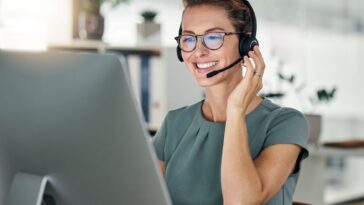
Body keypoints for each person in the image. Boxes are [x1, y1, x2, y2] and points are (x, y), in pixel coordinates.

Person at [153, 0, 309, 204]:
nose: (198, 52)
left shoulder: (285, 123)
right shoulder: (174, 124)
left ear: (246, 45)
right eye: (189, 39)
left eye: (213, 37)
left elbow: (241, 202)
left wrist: (235, 109)